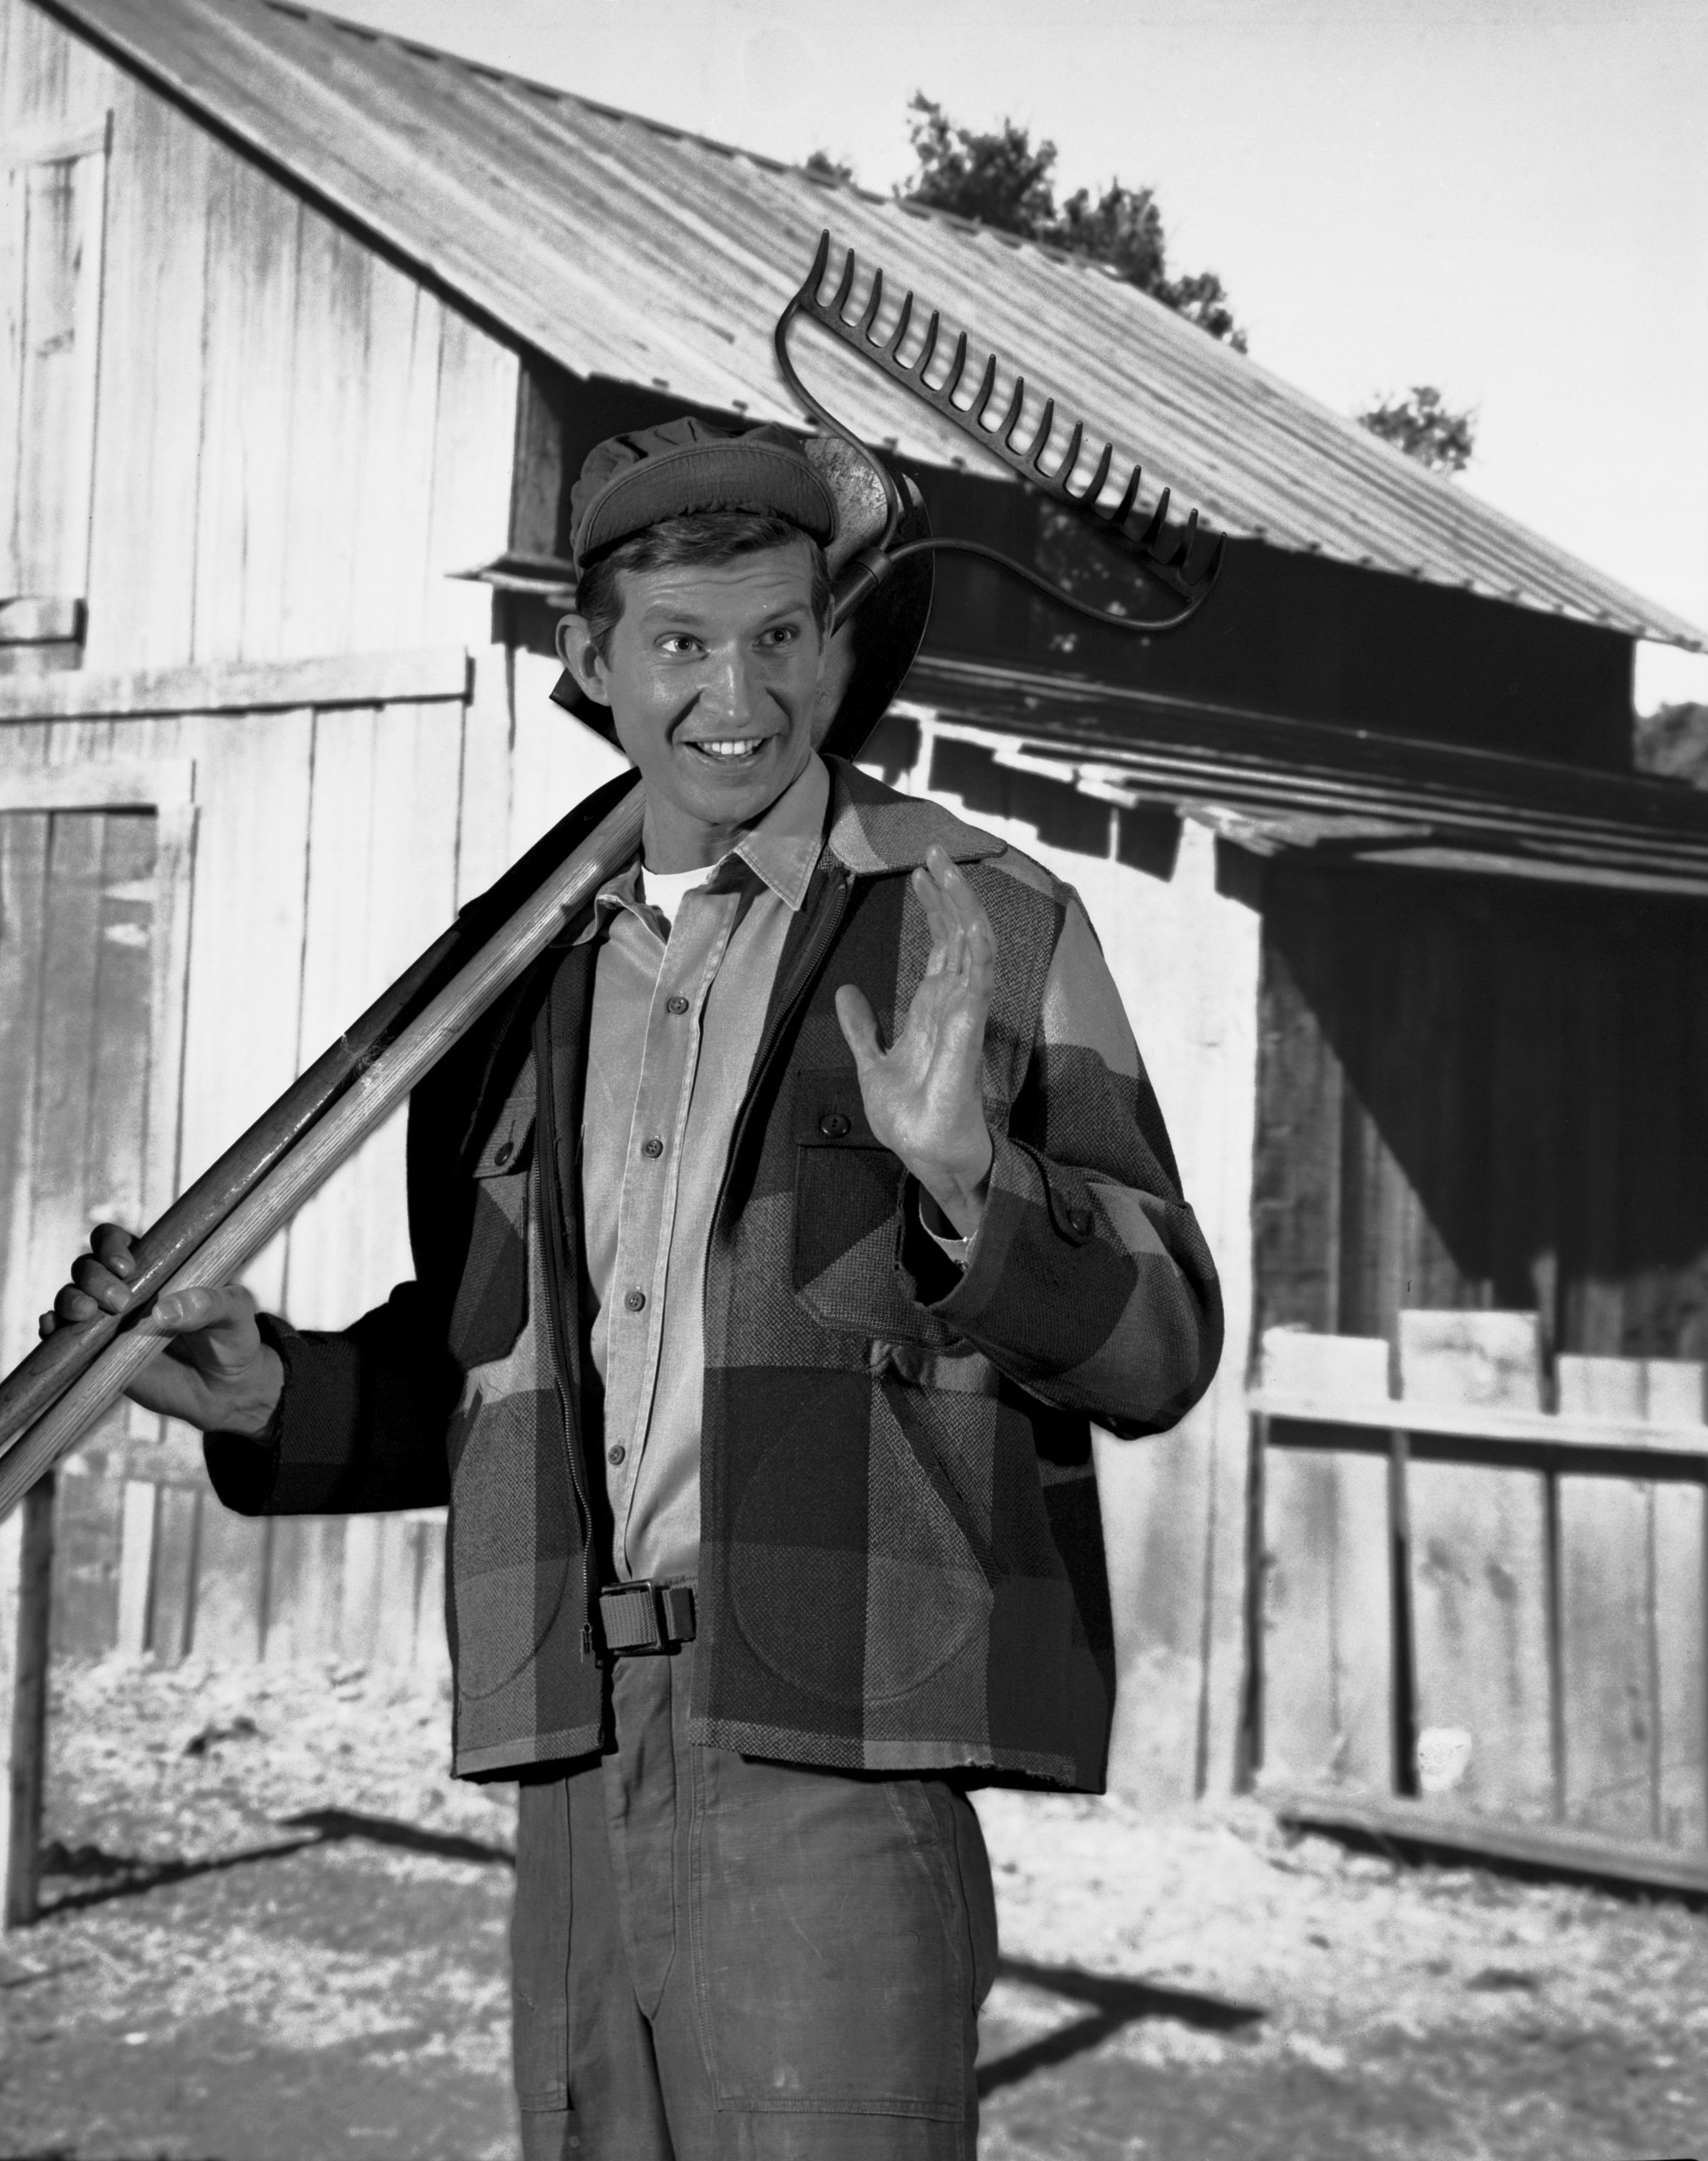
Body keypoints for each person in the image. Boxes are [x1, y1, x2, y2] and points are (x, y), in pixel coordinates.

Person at [47, 417, 1223, 2158]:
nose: (733, 692)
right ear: (593, 664)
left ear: (834, 650)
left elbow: (1164, 1340)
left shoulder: (978, 923)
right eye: (680, 643)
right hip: (577, 1738)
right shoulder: (511, 991)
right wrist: (264, 1393)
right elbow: (492, 1370)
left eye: (776, 635)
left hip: (841, 1741)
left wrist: (979, 1184)